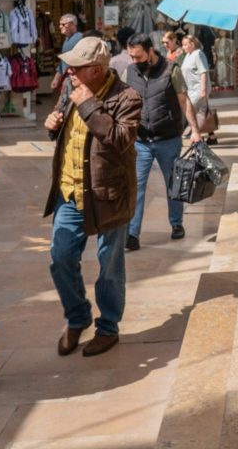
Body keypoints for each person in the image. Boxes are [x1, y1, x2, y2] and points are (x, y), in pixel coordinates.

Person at [41, 37, 142, 357]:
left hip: (108, 195)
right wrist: (52, 125)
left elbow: (119, 139)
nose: (68, 71)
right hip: (70, 191)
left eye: (76, 67)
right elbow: (65, 132)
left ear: (97, 71)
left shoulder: (127, 97)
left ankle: (108, 327)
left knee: (109, 266)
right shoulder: (70, 90)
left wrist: (87, 104)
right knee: (60, 259)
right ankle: (77, 316)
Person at [124, 34, 200, 251]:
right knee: (136, 187)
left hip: (168, 138)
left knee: (173, 183)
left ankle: (177, 223)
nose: (134, 61)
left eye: (138, 56)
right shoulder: (129, 72)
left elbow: (184, 101)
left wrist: (195, 130)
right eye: (131, 56)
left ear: (150, 51)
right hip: (140, 140)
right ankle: (132, 233)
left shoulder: (171, 69)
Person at [180, 33, 215, 144]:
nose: (183, 47)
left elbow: (203, 72)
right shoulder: (188, 55)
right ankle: (210, 137)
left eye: (185, 45)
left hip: (198, 89)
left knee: (191, 112)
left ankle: (195, 135)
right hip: (190, 89)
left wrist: (203, 90)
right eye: (183, 45)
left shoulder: (198, 54)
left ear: (192, 44)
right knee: (201, 112)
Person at [50, 14, 82, 97]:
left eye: (63, 24)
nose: (60, 27)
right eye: (60, 24)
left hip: (75, 79)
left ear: (72, 25)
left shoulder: (79, 38)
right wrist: (56, 78)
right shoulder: (67, 39)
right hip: (68, 79)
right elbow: (63, 62)